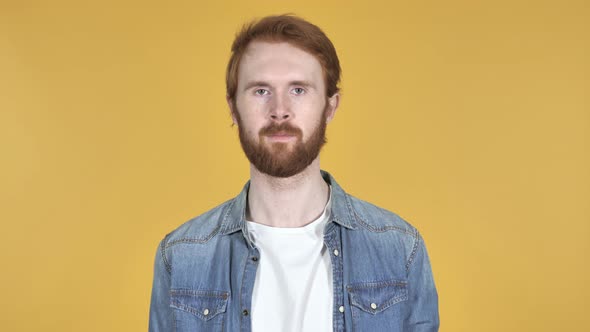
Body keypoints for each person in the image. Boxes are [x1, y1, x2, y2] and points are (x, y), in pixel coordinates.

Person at [149, 14, 439, 332]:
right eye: (261, 91)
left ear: (330, 106)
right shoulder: (182, 256)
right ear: (232, 108)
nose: (280, 109)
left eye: (299, 90)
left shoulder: (399, 249)